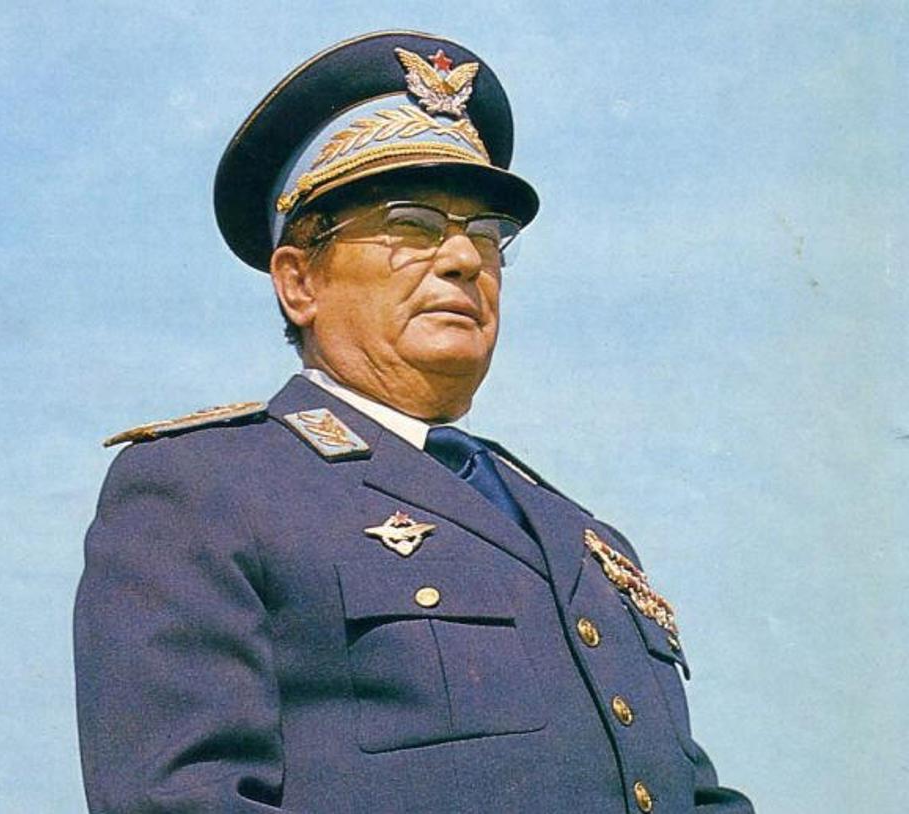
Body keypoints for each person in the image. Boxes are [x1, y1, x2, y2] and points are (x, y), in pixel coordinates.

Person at [74, 31, 754, 814]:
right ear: (299, 282)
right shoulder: (205, 489)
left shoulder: (582, 539)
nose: (465, 259)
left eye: (486, 234)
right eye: (412, 225)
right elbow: (183, 801)